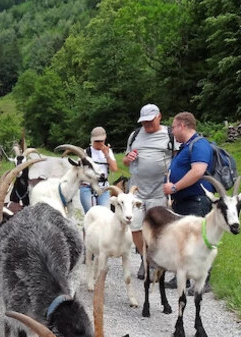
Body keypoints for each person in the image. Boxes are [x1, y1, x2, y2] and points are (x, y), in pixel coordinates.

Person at [123, 104, 177, 279]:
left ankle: (154, 262)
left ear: (159, 116)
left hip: (159, 190)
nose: (146, 125)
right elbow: (125, 162)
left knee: (157, 228)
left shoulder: (170, 135)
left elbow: (178, 159)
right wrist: (128, 158)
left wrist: (173, 186)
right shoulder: (135, 135)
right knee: (134, 225)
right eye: (144, 121)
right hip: (137, 189)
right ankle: (145, 258)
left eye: (150, 121)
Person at [162, 111, 214, 290]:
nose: (173, 131)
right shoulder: (186, 146)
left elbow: (198, 171)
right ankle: (181, 276)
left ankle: (203, 280)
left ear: (183, 125)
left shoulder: (200, 145)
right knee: (182, 239)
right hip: (183, 201)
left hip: (196, 200)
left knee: (199, 239)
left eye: (174, 127)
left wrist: (175, 187)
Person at [79, 127, 118, 212]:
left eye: (102, 141)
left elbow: (114, 169)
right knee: (91, 214)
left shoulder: (108, 151)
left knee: (105, 214)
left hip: (103, 188)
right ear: (92, 140)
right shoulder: (86, 152)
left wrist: (106, 155)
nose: (100, 143)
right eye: (97, 141)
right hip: (88, 187)